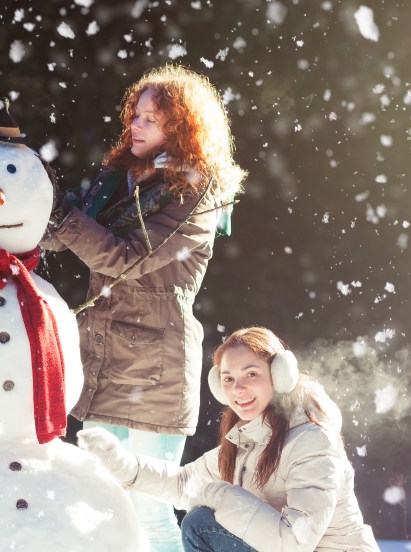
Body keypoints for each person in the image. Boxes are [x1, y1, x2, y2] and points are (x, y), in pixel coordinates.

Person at [42, 64, 245, 549]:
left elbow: (127, 259)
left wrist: (66, 218)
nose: (135, 124)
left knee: (150, 516)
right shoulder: (119, 180)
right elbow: (60, 236)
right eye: (136, 114)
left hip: (155, 371)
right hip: (107, 362)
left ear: (181, 126)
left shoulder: (199, 192)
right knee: (101, 511)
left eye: (150, 119)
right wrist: (33, 202)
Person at [78, 326, 381, 552]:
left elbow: (294, 543)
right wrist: (122, 464)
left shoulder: (313, 440)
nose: (238, 389)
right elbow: (183, 483)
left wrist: (221, 495)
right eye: (228, 379)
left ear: (280, 375)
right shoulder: (247, 441)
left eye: (251, 374)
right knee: (202, 519)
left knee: (201, 524)